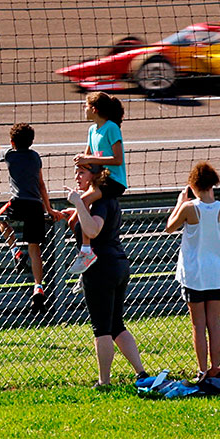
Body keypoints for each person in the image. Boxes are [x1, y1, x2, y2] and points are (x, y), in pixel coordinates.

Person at [64, 163, 147, 388]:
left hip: (102, 268)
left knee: (102, 329)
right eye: (76, 172)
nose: (76, 176)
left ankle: (104, 382)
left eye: (82, 172)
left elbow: (93, 230)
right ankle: (141, 373)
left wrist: (78, 203)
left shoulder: (98, 201)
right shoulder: (104, 199)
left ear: (95, 175)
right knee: (117, 325)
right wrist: (76, 210)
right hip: (118, 264)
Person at [0, 124, 65, 312]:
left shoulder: (10, 155)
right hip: (36, 205)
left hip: (18, 202)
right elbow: (41, 185)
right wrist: (49, 209)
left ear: (13, 142)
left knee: (0, 217)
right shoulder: (35, 157)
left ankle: (15, 250)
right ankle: (38, 286)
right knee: (35, 247)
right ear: (32, 141)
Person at [165, 161, 220, 381]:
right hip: (216, 271)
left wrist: (179, 203)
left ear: (193, 185)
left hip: (195, 273)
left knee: (198, 324)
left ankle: (202, 370)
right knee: (214, 323)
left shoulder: (189, 208)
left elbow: (169, 226)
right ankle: (216, 367)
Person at [70, 92, 127, 281]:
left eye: (86, 106)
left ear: (94, 109)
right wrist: (81, 164)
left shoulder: (111, 128)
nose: (83, 109)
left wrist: (89, 158)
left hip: (113, 180)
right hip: (98, 179)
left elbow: (117, 159)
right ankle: (86, 258)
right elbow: (88, 159)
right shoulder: (92, 130)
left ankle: (87, 252)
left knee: (83, 201)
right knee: (74, 222)